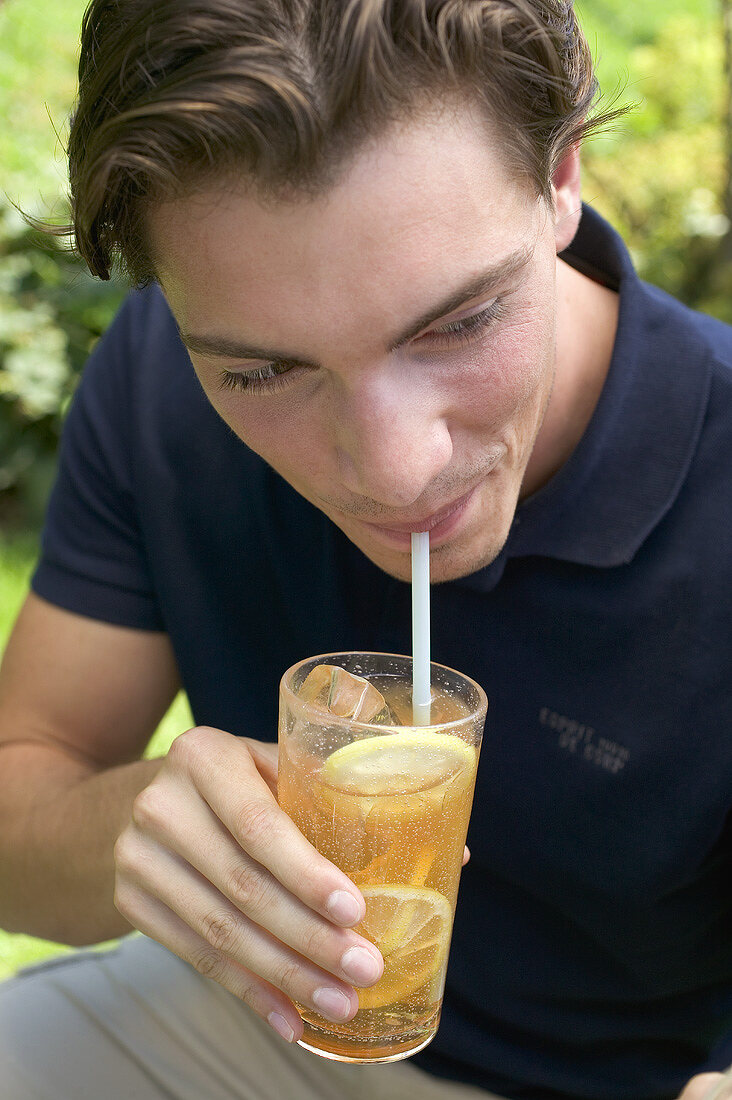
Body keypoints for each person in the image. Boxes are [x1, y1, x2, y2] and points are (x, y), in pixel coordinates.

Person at [0, 1, 730, 1098]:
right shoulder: (154, 372)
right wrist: (135, 833)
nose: (392, 472)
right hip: (249, 1025)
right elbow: (18, 807)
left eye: (461, 321)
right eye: (262, 372)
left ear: (563, 176)